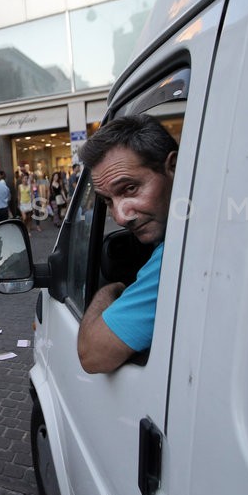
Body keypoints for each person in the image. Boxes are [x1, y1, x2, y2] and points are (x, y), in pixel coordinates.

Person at [76, 115, 177, 374]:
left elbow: (92, 355)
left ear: (174, 167)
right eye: (108, 201)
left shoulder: (178, 257)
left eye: (130, 188)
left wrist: (110, 291)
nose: (121, 217)